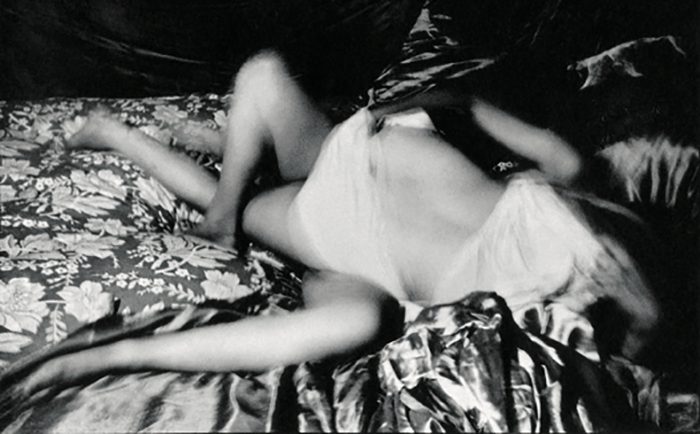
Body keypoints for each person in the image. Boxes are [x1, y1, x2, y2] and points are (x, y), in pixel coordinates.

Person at [10, 50, 659, 401]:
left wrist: (644, 324)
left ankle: (112, 343)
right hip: (354, 150)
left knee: (350, 322)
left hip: (345, 240)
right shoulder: (571, 177)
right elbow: (471, 101)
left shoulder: (576, 309)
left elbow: (607, 384)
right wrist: (409, 110)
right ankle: (224, 199)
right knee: (262, 74)